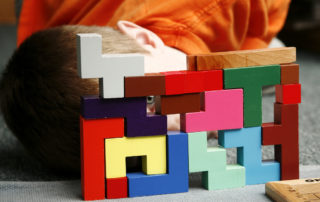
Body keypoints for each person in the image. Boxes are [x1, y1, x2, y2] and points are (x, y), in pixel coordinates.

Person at [0, 0, 291, 174]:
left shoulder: (217, 7)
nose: (177, 126)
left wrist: (248, 51)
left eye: (151, 98)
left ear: (146, 39)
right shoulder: (66, 58)